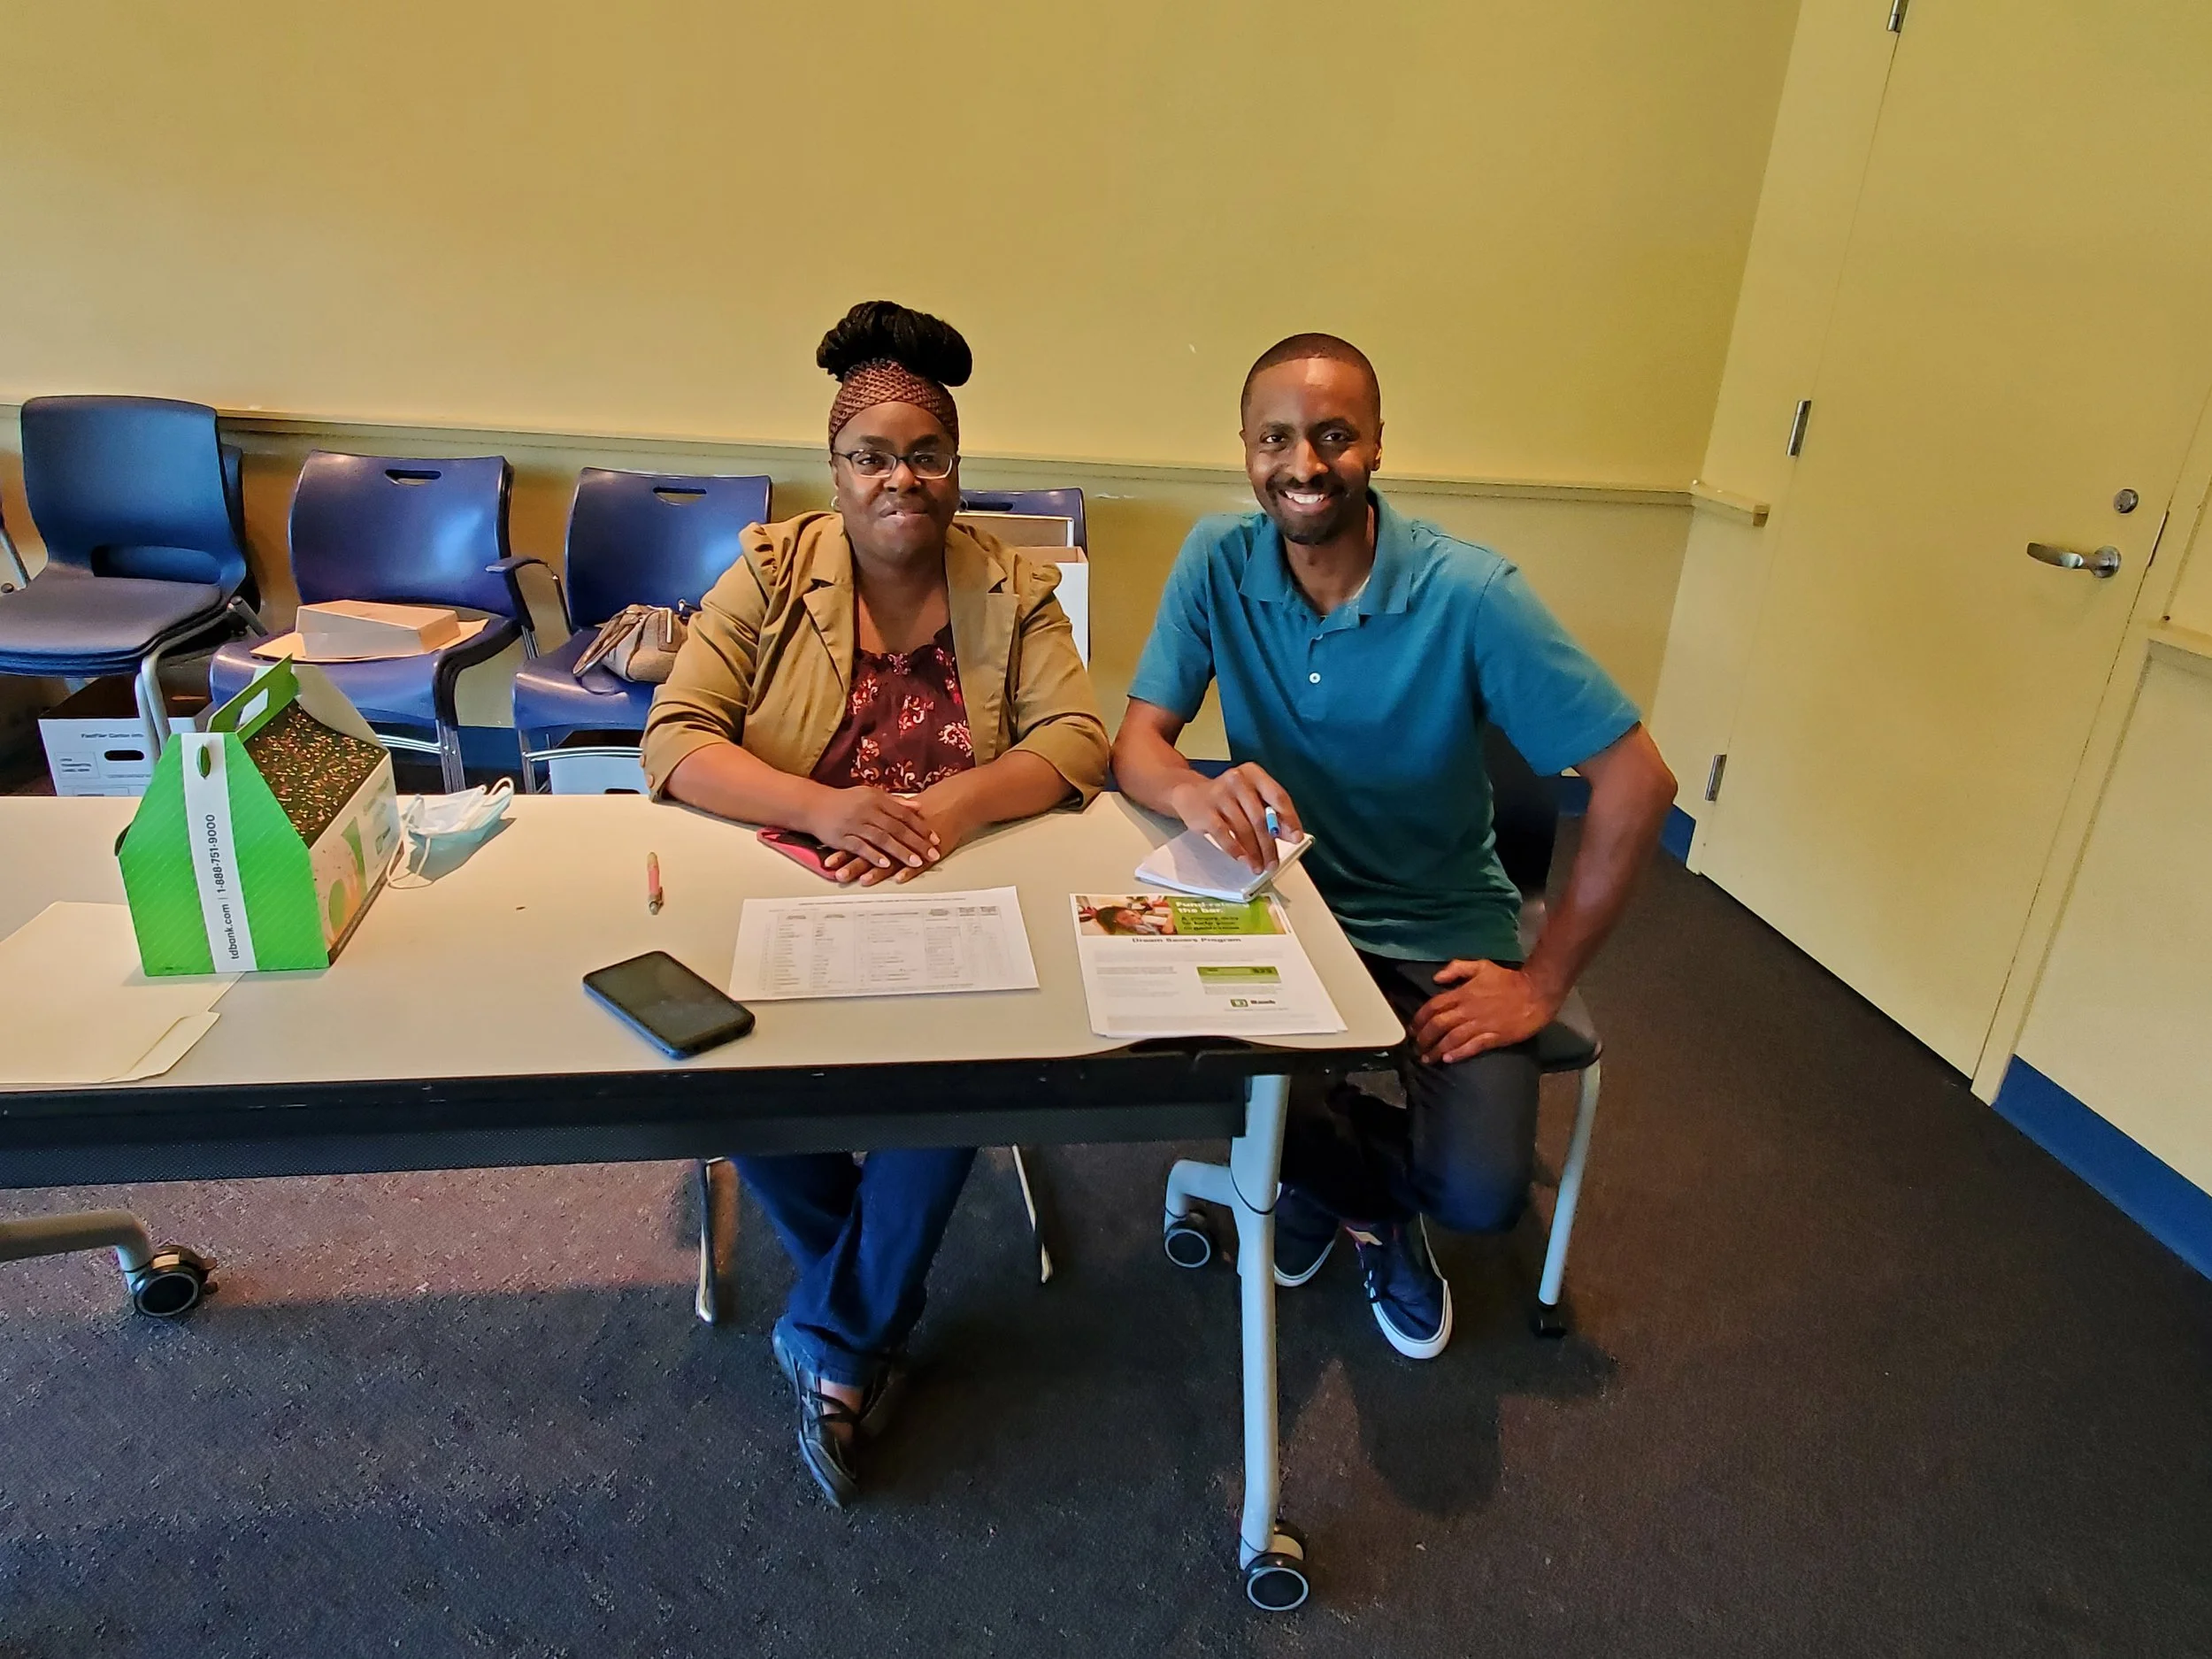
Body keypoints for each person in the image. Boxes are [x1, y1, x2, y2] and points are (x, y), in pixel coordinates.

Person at [1112, 333, 1676, 1360]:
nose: (1303, 464)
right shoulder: (1216, 559)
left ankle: (1337, 1194)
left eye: (1334, 435)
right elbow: (1138, 746)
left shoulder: (1470, 594)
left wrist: (1542, 983)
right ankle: (1369, 1210)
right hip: (1287, 908)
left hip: (1438, 921)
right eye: (1275, 439)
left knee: (1480, 1193)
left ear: (1376, 446)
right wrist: (1197, 791)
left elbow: (1639, 786)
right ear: (1244, 450)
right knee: (1174, 1059)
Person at [642, 300, 1109, 1502]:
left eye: (928, 453)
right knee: (721, 1054)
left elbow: (1075, 737)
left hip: (954, 885)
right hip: (792, 873)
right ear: (836, 471)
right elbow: (677, 736)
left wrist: (949, 807)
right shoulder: (766, 568)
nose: (902, 477)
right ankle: (861, 1308)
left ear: (956, 465)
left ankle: (838, 1338)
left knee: (960, 1072)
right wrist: (821, 805)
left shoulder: (1013, 582)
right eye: (872, 456)